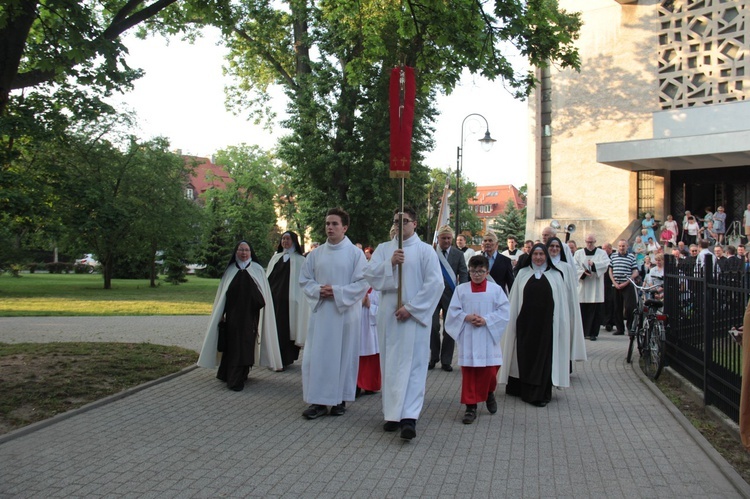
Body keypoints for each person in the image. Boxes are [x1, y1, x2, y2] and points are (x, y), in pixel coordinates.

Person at [364, 206, 443, 440]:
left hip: (414, 320)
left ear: (415, 224)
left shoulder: (426, 251)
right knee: (390, 365)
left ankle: (409, 416)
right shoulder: (383, 249)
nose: (400, 225)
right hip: (389, 316)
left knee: (414, 367)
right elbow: (370, 277)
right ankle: (392, 414)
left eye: (404, 221)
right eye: (396, 221)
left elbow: (435, 284)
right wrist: (390, 263)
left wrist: (411, 308)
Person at [299, 207, 369, 419]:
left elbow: (363, 283)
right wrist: (318, 290)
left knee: (343, 356)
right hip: (322, 314)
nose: (330, 227)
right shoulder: (315, 254)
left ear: (345, 227)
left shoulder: (355, 255)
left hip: (345, 315)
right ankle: (318, 401)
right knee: (317, 357)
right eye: (327, 223)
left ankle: (340, 399)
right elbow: (304, 280)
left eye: (334, 224)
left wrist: (337, 292)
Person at [499, 243, 585, 407]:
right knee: (524, 358)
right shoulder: (523, 274)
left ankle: (539, 394)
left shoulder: (556, 276)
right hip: (525, 327)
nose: (538, 258)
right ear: (530, 256)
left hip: (547, 328)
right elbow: (515, 302)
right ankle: (522, 388)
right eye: (535, 255)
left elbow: (560, 306)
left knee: (543, 360)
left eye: (541, 255)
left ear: (546, 257)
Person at [198, 241, 283, 391]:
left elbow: (263, 297)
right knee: (232, 345)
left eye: (247, 250)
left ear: (251, 253)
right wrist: (222, 314)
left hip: (251, 317)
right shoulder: (230, 270)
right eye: (241, 250)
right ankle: (226, 373)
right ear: (236, 252)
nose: (244, 253)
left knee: (244, 345)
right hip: (232, 316)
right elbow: (222, 296)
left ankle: (237, 378)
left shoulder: (257, 270)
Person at [444, 255, 510, 424]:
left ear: (487, 271)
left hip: (488, 336)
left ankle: (488, 393)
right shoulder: (461, 290)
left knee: (490, 371)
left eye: (480, 271)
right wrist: (466, 317)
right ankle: (470, 407)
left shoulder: (495, 290)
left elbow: (504, 311)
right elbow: (452, 312)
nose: (477, 275)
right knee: (470, 373)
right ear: (469, 271)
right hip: (470, 336)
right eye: (473, 271)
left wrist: (486, 320)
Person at [266, 231, 310, 367]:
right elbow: (269, 278)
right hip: (274, 300)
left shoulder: (301, 260)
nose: (285, 241)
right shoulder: (275, 258)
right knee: (275, 329)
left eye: (288, 239)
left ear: (294, 241)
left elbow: (303, 282)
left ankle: (285, 359)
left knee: (288, 330)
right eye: (283, 239)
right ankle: (273, 358)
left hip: (292, 303)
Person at [430, 225, 469, 372]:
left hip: (451, 296)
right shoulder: (432, 252)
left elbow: (463, 274)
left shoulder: (458, 254)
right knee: (433, 327)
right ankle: (434, 357)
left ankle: (446, 360)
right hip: (433, 296)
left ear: (451, 239)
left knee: (449, 329)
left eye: (448, 238)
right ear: (438, 238)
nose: (446, 241)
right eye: (443, 238)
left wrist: (463, 292)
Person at [574, 234, 611, 341]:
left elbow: (606, 264)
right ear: (585, 242)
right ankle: (583, 332)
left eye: (592, 242)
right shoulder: (578, 253)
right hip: (583, 284)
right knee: (583, 311)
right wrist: (583, 272)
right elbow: (574, 266)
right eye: (588, 242)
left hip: (595, 284)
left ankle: (593, 333)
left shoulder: (602, 253)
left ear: (595, 242)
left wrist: (594, 265)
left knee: (595, 311)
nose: (590, 244)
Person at [609, 239, 638, 336]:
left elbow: (635, 272)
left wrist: (626, 282)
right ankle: (619, 329)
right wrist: (614, 282)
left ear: (627, 247)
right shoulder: (613, 256)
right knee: (617, 307)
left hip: (627, 285)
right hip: (616, 285)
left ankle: (630, 328)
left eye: (623, 246)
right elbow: (610, 271)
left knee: (630, 307)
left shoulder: (631, 257)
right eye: (620, 246)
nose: (621, 248)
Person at [357, 287, 381, 396]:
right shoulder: (358, 287)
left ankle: (370, 385)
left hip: (372, 329)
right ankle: (356, 385)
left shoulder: (378, 289)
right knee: (357, 356)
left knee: (371, 356)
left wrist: (369, 305)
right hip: (358, 327)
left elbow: (383, 311)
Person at [601, 242, 616, 331]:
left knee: (611, 303)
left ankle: (610, 322)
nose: (603, 250)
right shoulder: (602, 257)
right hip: (603, 283)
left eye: (604, 248)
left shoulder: (613, 257)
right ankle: (605, 321)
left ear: (609, 249)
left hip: (611, 283)